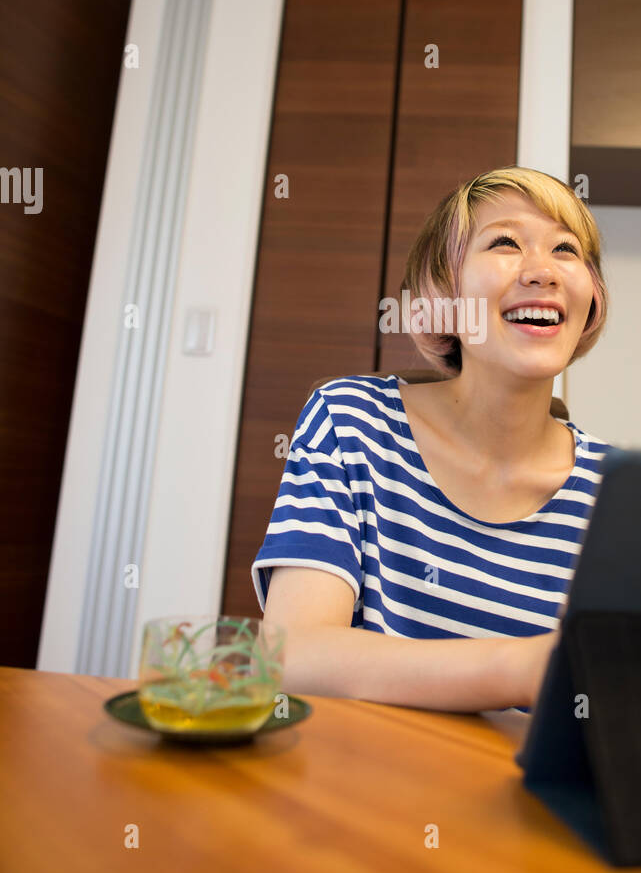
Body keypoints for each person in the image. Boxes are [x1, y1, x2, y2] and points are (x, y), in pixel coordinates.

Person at [252, 165, 612, 713]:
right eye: (506, 242)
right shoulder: (351, 423)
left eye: (566, 250)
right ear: (444, 295)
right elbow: (290, 655)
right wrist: (525, 667)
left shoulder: (617, 492)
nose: (543, 271)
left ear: (591, 300)